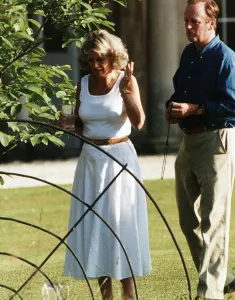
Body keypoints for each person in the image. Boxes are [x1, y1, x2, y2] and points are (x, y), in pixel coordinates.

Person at [61, 30, 151, 300]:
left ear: (113, 57)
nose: (96, 65)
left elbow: (139, 121)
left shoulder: (127, 80)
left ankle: (128, 294)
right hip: (90, 160)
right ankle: (105, 296)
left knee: (119, 224)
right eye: (90, 61)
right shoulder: (84, 83)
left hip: (119, 158)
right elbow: (80, 123)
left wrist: (125, 93)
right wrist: (67, 123)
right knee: (95, 225)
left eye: (100, 59)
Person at [165, 0, 235, 299]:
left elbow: (234, 107)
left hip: (217, 142)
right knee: (188, 221)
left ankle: (209, 294)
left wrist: (194, 109)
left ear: (211, 23)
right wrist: (173, 108)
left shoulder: (227, 58)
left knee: (214, 222)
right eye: (186, 21)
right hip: (189, 142)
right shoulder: (189, 54)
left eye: (193, 22)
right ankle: (225, 279)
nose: (187, 27)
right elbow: (181, 93)